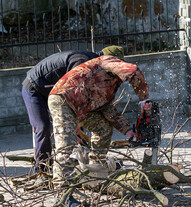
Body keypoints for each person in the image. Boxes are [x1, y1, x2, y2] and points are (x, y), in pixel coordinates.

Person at [48, 55, 151, 207]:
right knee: (66, 146)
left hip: (83, 106)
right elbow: (134, 71)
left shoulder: (110, 83)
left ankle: (94, 170)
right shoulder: (107, 62)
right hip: (63, 100)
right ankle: (62, 195)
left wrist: (128, 130)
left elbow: (108, 108)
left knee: (103, 128)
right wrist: (143, 100)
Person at [21, 46, 125, 174]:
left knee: (80, 122)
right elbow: (72, 93)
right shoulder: (81, 61)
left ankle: (89, 164)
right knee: (42, 127)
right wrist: (75, 123)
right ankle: (42, 170)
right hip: (35, 89)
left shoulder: (96, 69)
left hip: (57, 92)